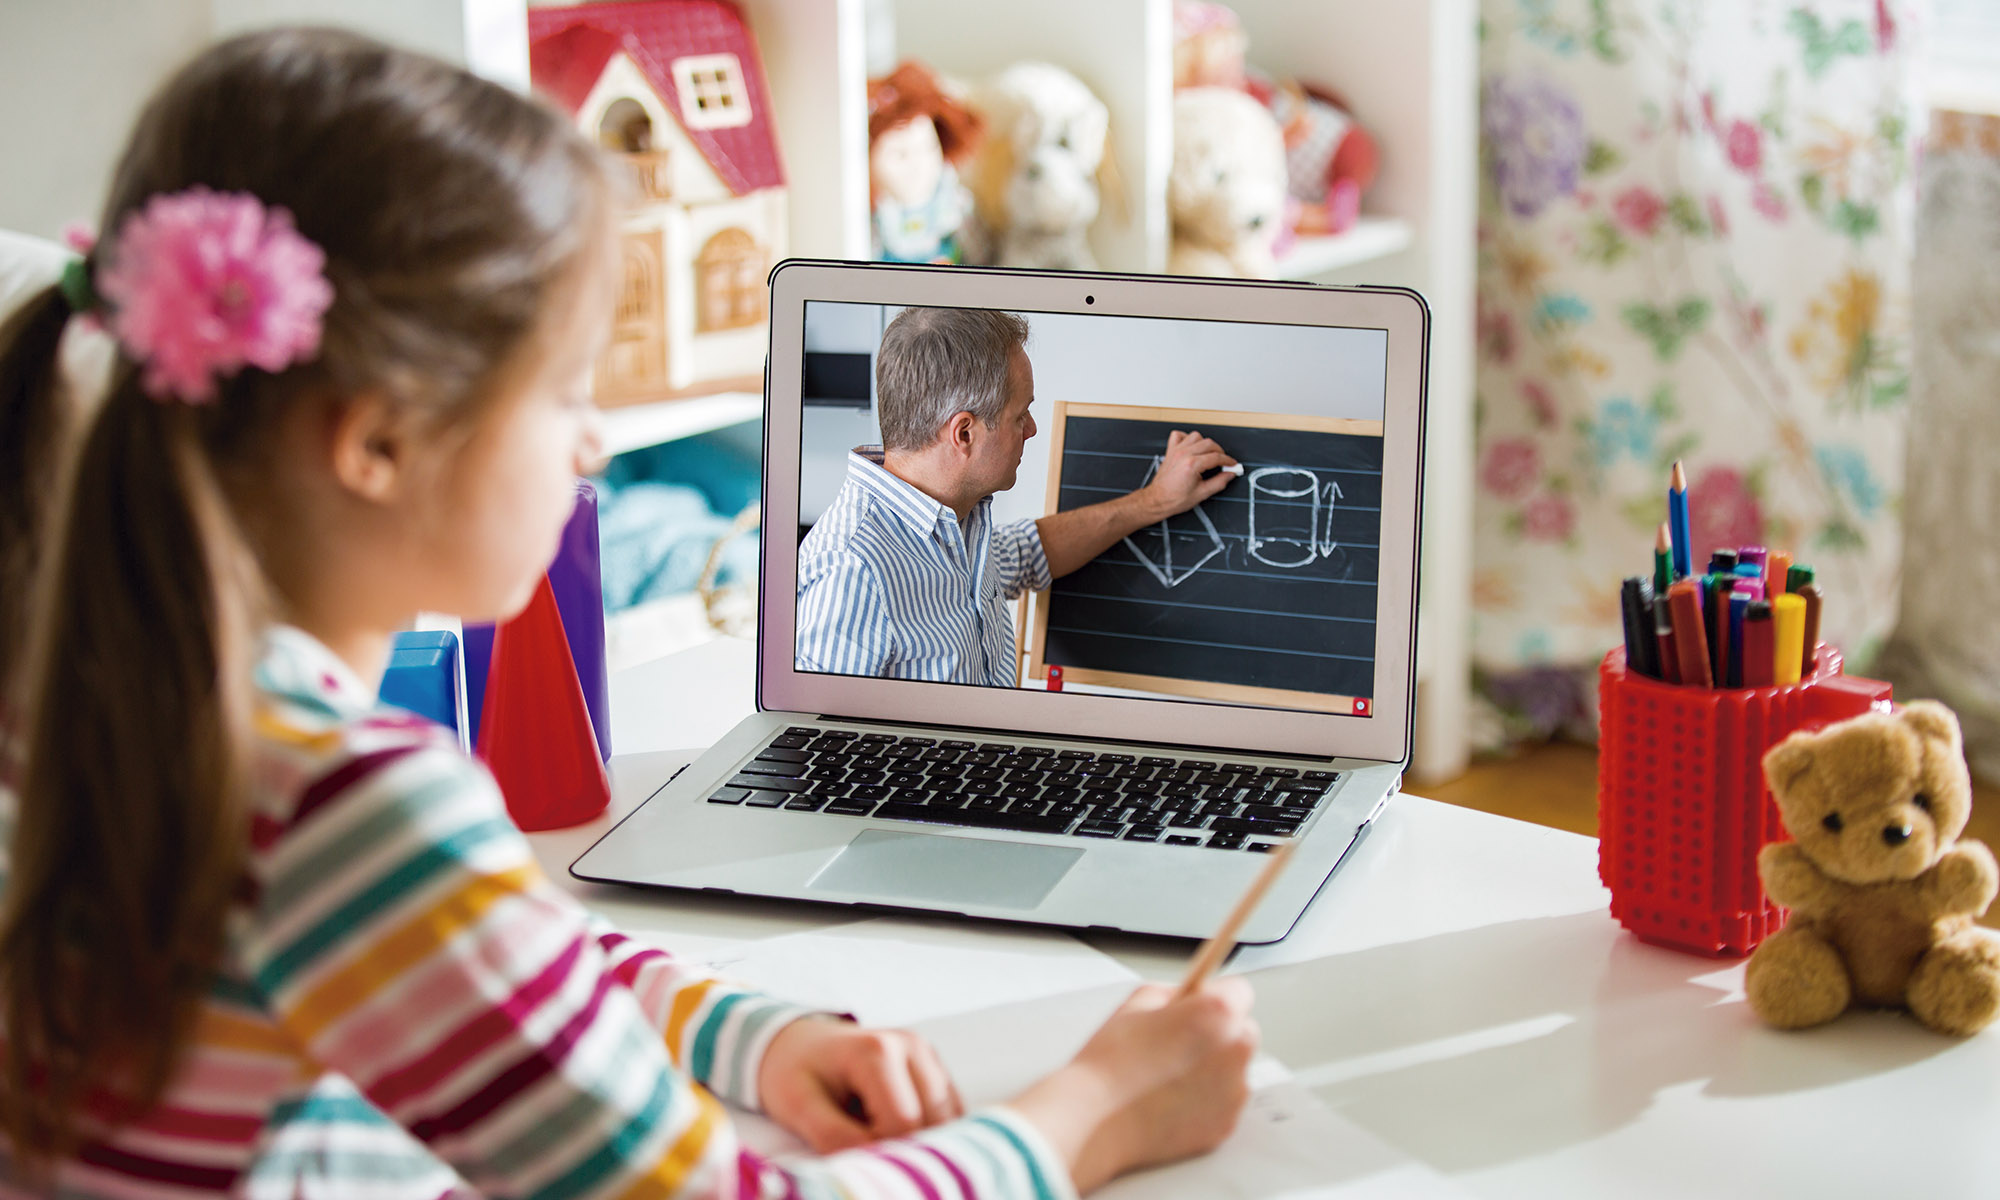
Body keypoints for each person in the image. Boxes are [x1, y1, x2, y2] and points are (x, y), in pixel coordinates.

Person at [0, 28, 1259, 1197]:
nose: (596, 440)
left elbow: (496, 956)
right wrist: (1093, 1109)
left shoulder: (89, 697)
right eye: (561, 391)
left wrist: (746, 1036)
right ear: (377, 442)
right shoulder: (347, 807)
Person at [797, 307, 1238, 685]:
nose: (1031, 429)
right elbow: (819, 760)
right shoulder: (852, 573)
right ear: (964, 432)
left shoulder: (953, 518)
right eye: (1019, 414)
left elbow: (1028, 553)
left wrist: (1156, 500)